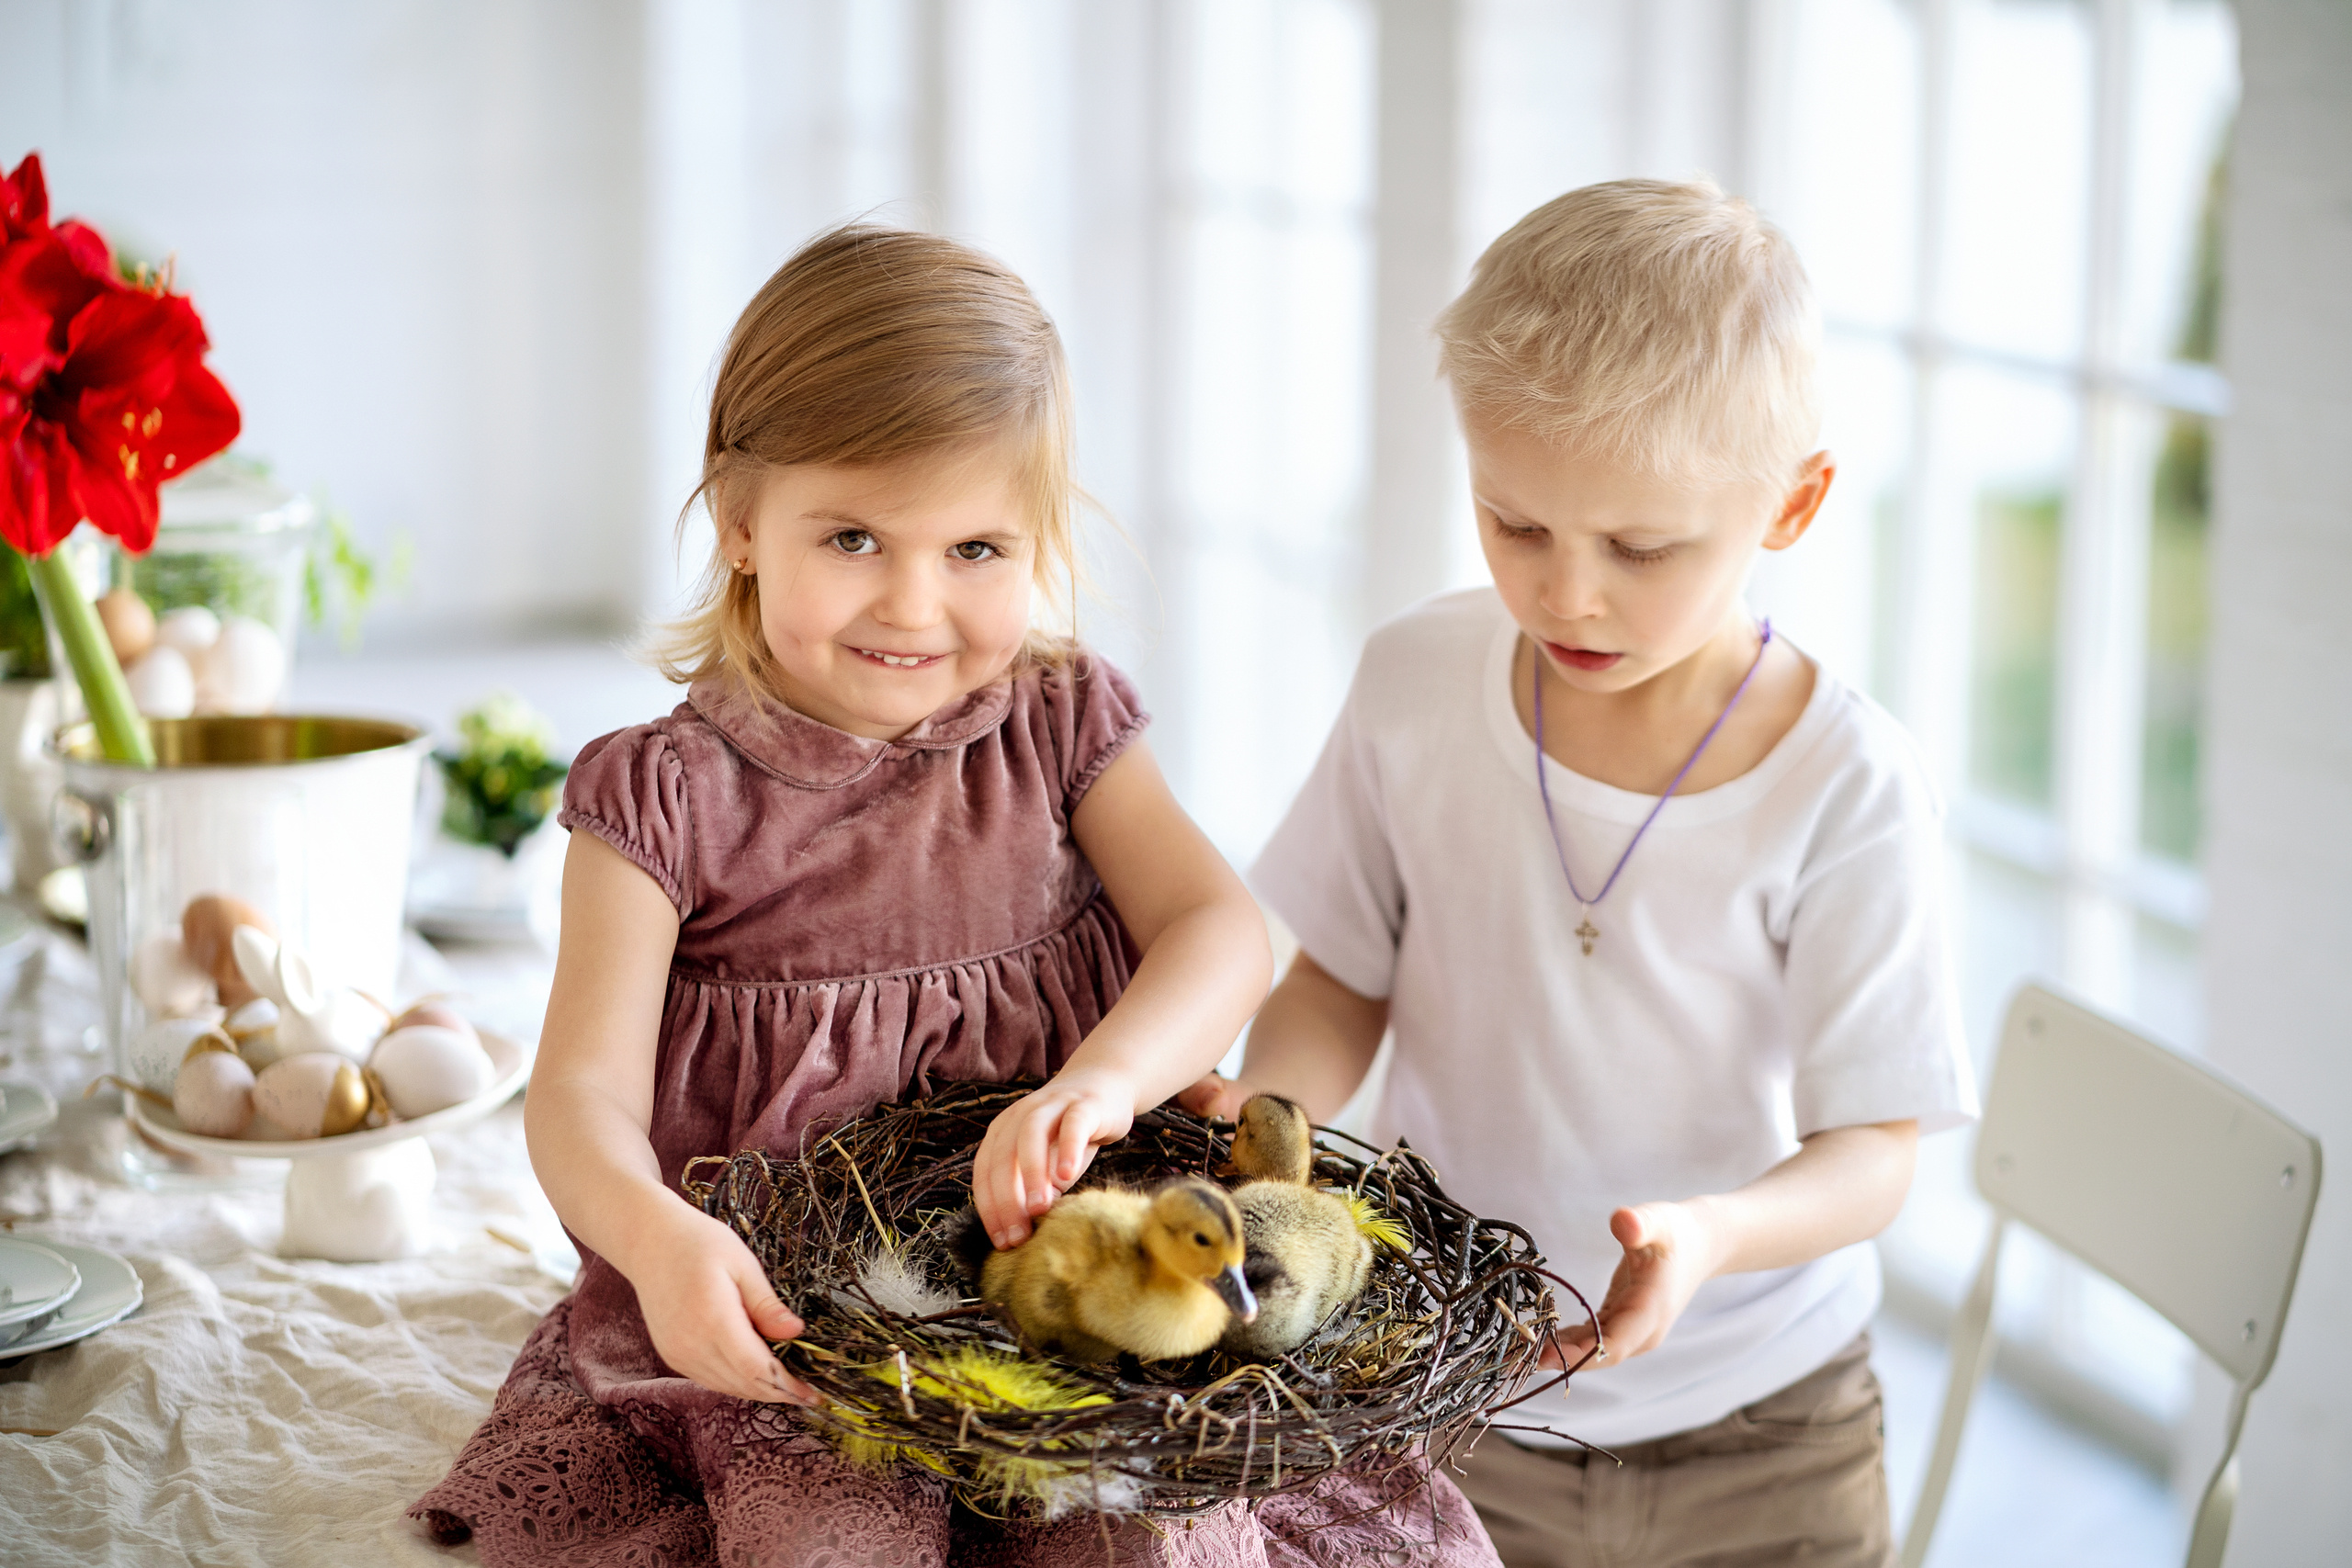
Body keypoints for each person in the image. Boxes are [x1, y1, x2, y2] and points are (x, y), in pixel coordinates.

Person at [412, 225, 1499, 1568]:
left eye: (977, 547)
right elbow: (578, 1099)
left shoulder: (1057, 722)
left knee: (1162, 1538)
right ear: (741, 522)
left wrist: (1101, 1088)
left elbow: (1217, 930)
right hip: (796, 1324)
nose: (914, 605)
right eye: (854, 537)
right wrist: (657, 1242)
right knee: (825, 1546)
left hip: (1072, 1300)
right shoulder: (662, 798)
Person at [1182, 179, 1978, 1568]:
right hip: (1461, 1389)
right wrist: (1273, 1112)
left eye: (1640, 548)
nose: (1567, 594)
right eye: (1515, 525)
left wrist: (1709, 1234)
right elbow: (1342, 978)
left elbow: (1872, 1153)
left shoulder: (1850, 787)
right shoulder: (1416, 683)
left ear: (1794, 503)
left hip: (1770, 1435)